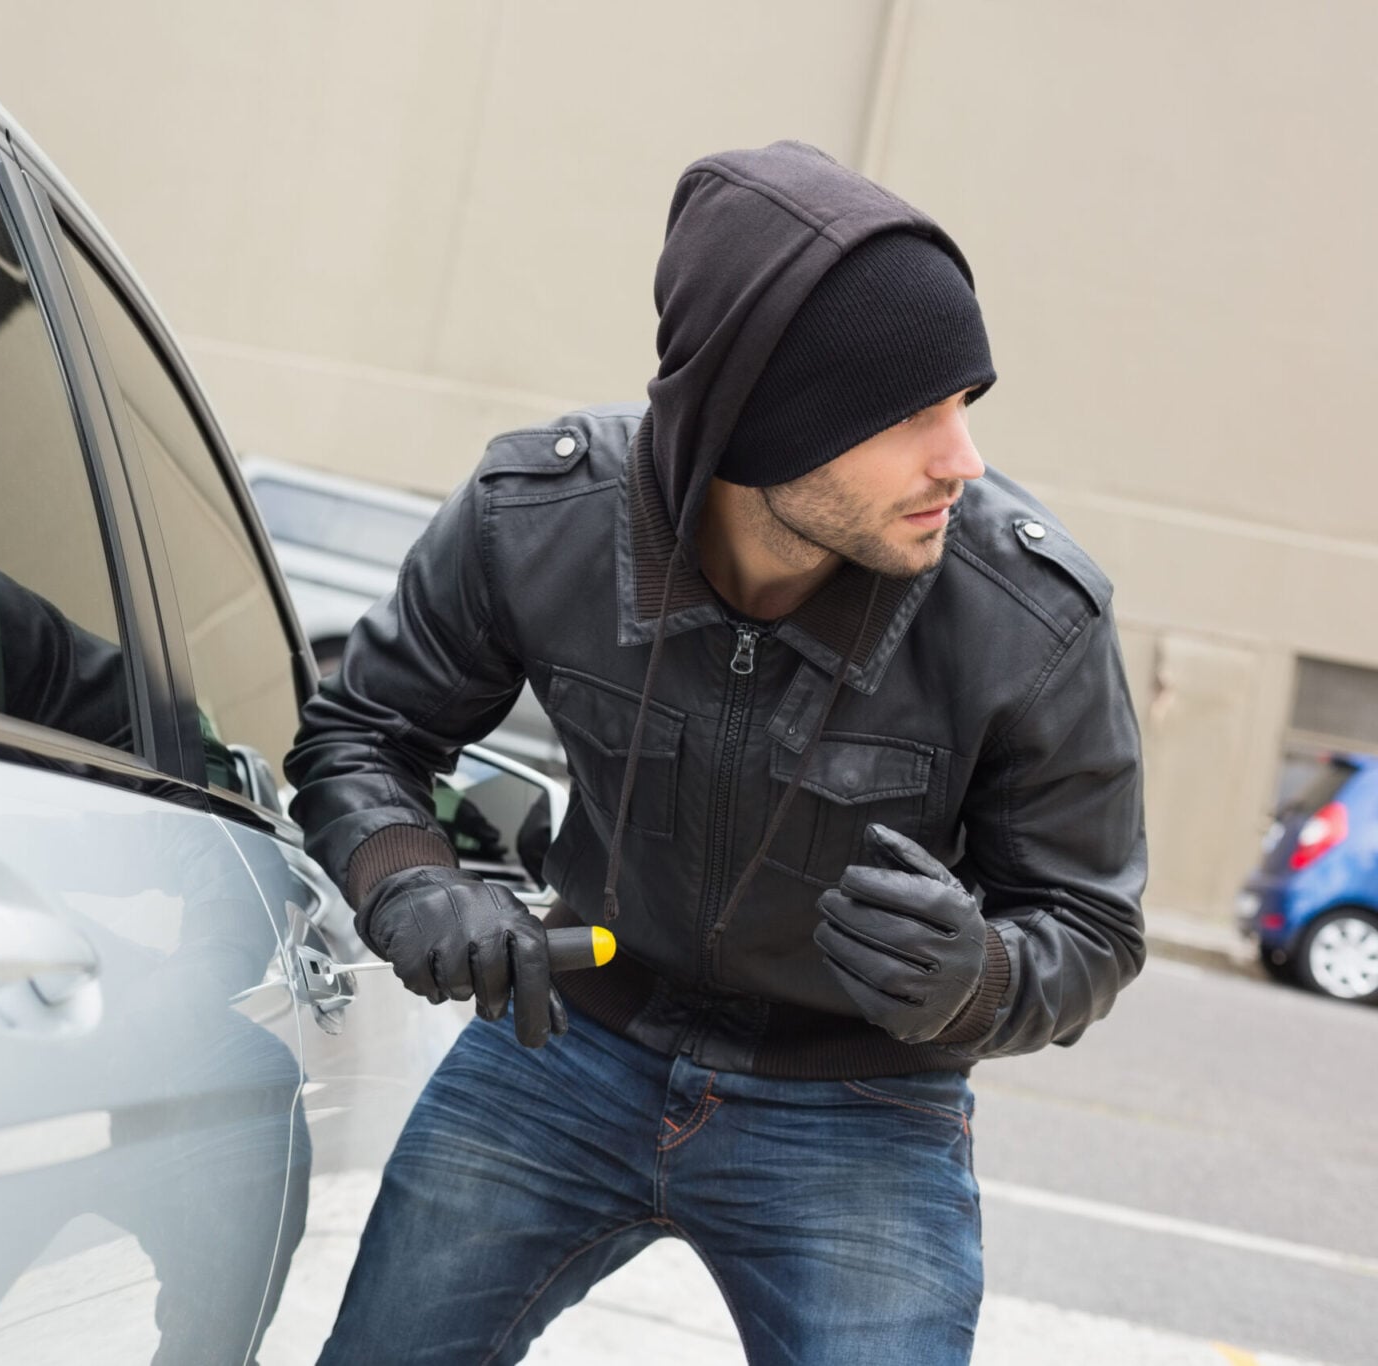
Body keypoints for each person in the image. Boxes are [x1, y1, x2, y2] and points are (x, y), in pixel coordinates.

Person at [283, 140, 1147, 1365]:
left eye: (964, 405)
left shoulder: (1030, 616)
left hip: (857, 1104)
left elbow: (1090, 920)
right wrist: (410, 880)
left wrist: (985, 978)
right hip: (565, 1042)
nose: (959, 458)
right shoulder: (537, 516)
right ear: (761, 421)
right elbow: (363, 734)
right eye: (912, 414)